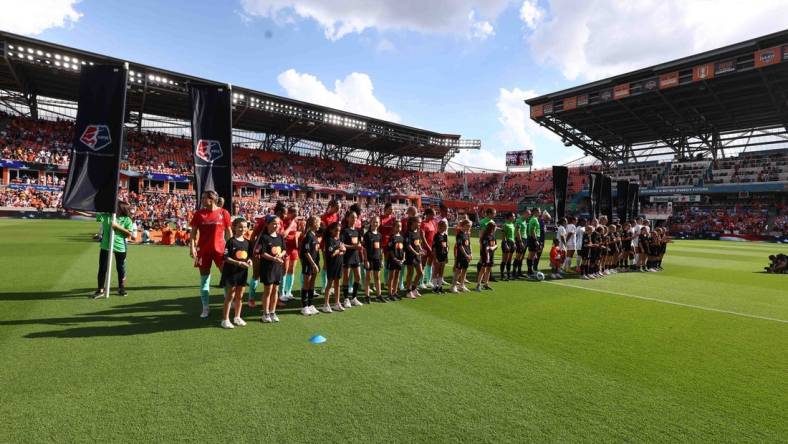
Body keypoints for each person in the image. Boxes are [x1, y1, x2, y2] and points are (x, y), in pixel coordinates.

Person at [75, 201, 135, 298]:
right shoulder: (107, 216)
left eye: (116, 207)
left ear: (121, 209)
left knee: (121, 268)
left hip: (120, 246)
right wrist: (76, 210)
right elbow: (91, 214)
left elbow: (129, 235)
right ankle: (100, 289)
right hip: (106, 246)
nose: (113, 208)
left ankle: (121, 288)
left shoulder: (127, 219)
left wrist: (117, 227)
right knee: (102, 268)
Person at [189, 190, 232, 318]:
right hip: (203, 252)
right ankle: (205, 308)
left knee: (226, 279)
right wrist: (192, 247)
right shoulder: (199, 214)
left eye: (203, 198)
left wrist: (231, 248)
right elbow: (193, 233)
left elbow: (229, 232)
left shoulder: (224, 213)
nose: (201, 200)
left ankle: (228, 303)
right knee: (204, 281)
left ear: (211, 199)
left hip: (221, 251)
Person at [219, 217, 252, 329]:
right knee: (230, 296)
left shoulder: (248, 242)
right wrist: (238, 263)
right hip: (231, 273)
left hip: (242, 273)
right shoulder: (230, 241)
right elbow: (225, 257)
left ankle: (237, 317)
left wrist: (249, 261)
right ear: (234, 227)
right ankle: (225, 319)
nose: (242, 229)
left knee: (240, 296)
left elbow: (250, 256)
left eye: (245, 227)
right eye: (240, 227)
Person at [256, 215, 286, 323]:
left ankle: (273, 312)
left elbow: (284, 250)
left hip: (278, 267)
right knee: (268, 291)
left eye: (278, 224)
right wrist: (274, 258)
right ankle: (266, 313)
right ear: (267, 224)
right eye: (274, 223)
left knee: (276, 290)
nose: (276, 225)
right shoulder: (264, 237)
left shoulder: (280, 237)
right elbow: (262, 252)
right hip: (267, 268)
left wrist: (280, 256)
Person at [341, 210, 364, 307]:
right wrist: (353, 247)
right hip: (347, 257)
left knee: (358, 277)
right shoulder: (344, 231)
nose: (354, 219)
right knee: (346, 278)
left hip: (355, 257)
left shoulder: (357, 231)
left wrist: (359, 245)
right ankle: (346, 299)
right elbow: (341, 244)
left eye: (355, 217)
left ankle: (354, 298)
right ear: (348, 218)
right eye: (352, 217)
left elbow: (358, 243)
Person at [299, 215, 321, 316]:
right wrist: (312, 264)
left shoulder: (314, 235)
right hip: (309, 264)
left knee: (312, 284)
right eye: (318, 222)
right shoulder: (308, 236)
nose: (320, 224)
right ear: (313, 224)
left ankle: (310, 305)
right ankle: (304, 306)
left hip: (314, 264)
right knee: (306, 284)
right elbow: (306, 252)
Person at [321, 222, 345, 313]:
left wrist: (342, 250)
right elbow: (332, 254)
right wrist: (339, 250)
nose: (338, 232)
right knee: (329, 284)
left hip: (339, 264)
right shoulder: (329, 240)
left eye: (339, 230)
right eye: (336, 230)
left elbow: (342, 251)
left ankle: (337, 303)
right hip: (332, 265)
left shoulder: (339, 239)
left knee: (337, 284)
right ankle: (326, 304)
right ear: (331, 230)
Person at [280, 205, 301, 302]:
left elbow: (295, 233)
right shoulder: (283, 221)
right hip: (286, 248)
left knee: (292, 270)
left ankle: (289, 292)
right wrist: (291, 224)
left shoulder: (295, 222)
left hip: (293, 248)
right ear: (289, 213)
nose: (295, 217)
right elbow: (283, 235)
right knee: (284, 270)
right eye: (294, 215)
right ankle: (281, 293)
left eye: (296, 215)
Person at [363, 216, 385, 304]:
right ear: (371, 222)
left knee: (377, 277)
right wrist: (365, 260)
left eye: (377, 222)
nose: (375, 223)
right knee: (368, 278)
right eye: (374, 222)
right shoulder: (367, 235)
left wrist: (382, 259)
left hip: (377, 259)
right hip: (369, 259)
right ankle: (367, 296)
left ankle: (378, 295)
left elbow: (381, 249)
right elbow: (364, 249)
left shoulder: (379, 235)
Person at [404, 215, 424, 299]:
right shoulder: (408, 233)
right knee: (410, 273)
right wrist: (416, 252)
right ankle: (408, 291)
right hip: (410, 256)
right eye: (418, 222)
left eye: (420, 222)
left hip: (417, 255)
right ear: (413, 222)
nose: (420, 224)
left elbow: (418, 243)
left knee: (420, 272)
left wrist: (421, 249)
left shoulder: (418, 231)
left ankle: (414, 288)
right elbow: (408, 245)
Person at [450, 218, 472, 293]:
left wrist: (470, 254)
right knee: (458, 271)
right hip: (461, 256)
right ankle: (453, 286)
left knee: (464, 271)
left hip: (467, 256)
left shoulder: (467, 234)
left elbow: (469, 245)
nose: (469, 227)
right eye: (467, 225)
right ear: (463, 225)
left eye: (469, 226)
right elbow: (460, 246)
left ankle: (462, 285)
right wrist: (466, 255)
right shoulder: (459, 234)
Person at [386, 220, 405, 301]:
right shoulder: (392, 237)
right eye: (397, 226)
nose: (399, 228)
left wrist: (403, 258)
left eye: (400, 226)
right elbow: (390, 250)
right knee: (391, 276)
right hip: (393, 260)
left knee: (397, 275)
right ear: (393, 227)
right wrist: (394, 258)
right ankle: (390, 293)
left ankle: (395, 292)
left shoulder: (401, 237)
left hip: (400, 260)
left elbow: (403, 249)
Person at [475, 221, 497, 291]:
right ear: (492, 228)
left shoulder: (493, 235)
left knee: (488, 269)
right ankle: (478, 285)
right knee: (483, 270)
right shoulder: (485, 236)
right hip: (485, 255)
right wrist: (487, 257)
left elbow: (495, 245)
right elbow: (486, 248)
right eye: (495, 227)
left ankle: (486, 284)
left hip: (491, 255)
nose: (496, 229)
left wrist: (492, 248)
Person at [477, 208, 498, 281]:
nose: (495, 215)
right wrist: (481, 244)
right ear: (489, 213)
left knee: (489, 261)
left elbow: (493, 234)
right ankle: (479, 275)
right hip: (485, 243)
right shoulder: (483, 221)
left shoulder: (493, 221)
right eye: (494, 213)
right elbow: (481, 234)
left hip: (491, 243)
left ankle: (488, 277)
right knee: (483, 260)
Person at [420, 208, 437, 289]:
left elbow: (435, 235)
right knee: (422, 265)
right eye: (433, 214)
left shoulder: (433, 222)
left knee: (430, 264)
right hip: (425, 248)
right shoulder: (423, 224)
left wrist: (433, 247)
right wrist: (428, 247)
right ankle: (420, 282)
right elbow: (423, 238)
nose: (434, 216)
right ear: (428, 214)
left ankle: (428, 281)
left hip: (432, 247)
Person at [431, 219, 449, 293]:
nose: (445, 228)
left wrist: (447, 256)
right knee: (436, 271)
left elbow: (446, 246)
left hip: (443, 256)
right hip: (438, 256)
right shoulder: (436, 236)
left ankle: (440, 286)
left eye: (446, 226)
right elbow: (434, 248)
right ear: (440, 227)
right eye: (444, 226)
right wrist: (435, 258)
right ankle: (435, 287)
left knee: (441, 271)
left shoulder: (445, 235)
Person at [513, 209, 530, 279]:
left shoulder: (524, 221)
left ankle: (519, 272)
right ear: (524, 213)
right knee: (518, 256)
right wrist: (520, 241)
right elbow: (517, 231)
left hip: (524, 239)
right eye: (528, 214)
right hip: (520, 240)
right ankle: (514, 272)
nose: (529, 216)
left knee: (521, 257)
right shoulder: (519, 220)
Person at [525, 207, 541, 278]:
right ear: (535, 212)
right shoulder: (534, 219)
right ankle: (529, 272)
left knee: (532, 255)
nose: (540, 212)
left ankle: (530, 271)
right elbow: (532, 230)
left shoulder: (534, 219)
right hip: (533, 238)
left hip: (533, 238)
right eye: (539, 211)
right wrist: (535, 240)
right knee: (531, 255)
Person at [500, 212, 516, 281]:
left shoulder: (512, 224)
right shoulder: (505, 225)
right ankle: (502, 275)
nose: (514, 217)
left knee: (509, 260)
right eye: (513, 216)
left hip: (512, 242)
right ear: (509, 217)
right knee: (505, 260)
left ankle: (508, 275)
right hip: (507, 243)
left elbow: (513, 235)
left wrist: (514, 243)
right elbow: (503, 236)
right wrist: (506, 244)